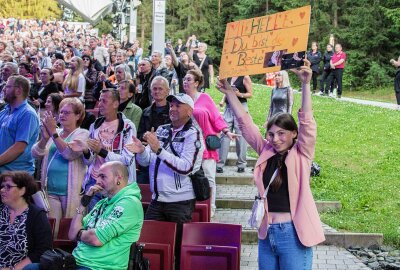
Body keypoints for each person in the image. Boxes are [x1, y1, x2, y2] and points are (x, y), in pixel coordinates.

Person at [216, 59, 325, 270]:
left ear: (294, 134)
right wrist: (229, 92)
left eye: (282, 133)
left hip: (293, 234)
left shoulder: (301, 153)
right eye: (272, 134)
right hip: (267, 233)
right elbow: (245, 123)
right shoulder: (265, 151)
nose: (275, 139)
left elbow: (308, 123)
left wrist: (305, 85)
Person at [127, 93, 203, 269]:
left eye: (178, 106)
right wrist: (141, 151)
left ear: (190, 112)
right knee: (147, 247)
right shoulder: (161, 129)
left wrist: (158, 149)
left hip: (180, 202)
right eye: (171, 105)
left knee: (176, 252)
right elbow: (147, 162)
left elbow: (186, 167)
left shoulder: (193, 134)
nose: (173, 109)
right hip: (157, 200)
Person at [32, 98, 89, 236]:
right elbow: (35, 153)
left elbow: (69, 154)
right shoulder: (53, 133)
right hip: (50, 190)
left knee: (69, 233)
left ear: (78, 115)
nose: (62, 115)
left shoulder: (83, 134)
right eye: (61, 112)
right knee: (52, 231)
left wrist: (54, 134)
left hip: (72, 192)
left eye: (67, 113)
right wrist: (45, 138)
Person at [183, 69, 237, 217]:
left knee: (208, 177)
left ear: (197, 83)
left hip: (205, 146)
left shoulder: (205, 98)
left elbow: (216, 117)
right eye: (184, 79)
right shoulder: (181, 99)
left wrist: (227, 131)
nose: (185, 82)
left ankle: (210, 208)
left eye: (188, 79)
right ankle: (192, 207)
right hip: (187, 147)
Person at [76, 88, 137, 211]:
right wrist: (86, 152)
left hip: (116, 184)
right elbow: (89, 161)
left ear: (115, 104)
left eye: (104, 101)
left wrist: (102, 151)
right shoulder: (95, 125)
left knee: (111, 225)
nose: (99, 104)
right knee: (93, 223)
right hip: (95, 181)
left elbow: (126, 160)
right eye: (99, 100)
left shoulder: (127, 127)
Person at [0, 171, 52, 270]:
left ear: (22, 191)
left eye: (8, 187)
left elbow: (43, 251)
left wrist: (14, 269)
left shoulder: (37, 215)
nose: (2, 190)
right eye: (2, 186)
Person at [0, 75, 39, 175]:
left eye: (8, 86)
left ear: (18, 91)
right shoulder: (5, 111)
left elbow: (19, 148)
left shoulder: (27, 114)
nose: (4, 89)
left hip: (17, 175)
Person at [136, 76, 172, 184]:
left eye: (160, 89)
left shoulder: (173, 111)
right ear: (151, 91)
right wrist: (146, 136)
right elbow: (139, 134)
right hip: (147, 156)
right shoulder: (146, 112)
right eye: (154, 89)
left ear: (167, 91)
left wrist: (158, 137)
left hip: (167, 157)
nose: (157, 91)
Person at [217, 75, 253, 174]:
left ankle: (241, 164)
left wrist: (239, 94)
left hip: (241, 106)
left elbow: (250, 94)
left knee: (241, 135)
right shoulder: (227, 77)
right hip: (229, 107)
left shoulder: (245, 77)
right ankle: (220, 164)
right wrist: (223, 101)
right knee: (224, 134)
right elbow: (228, 92)